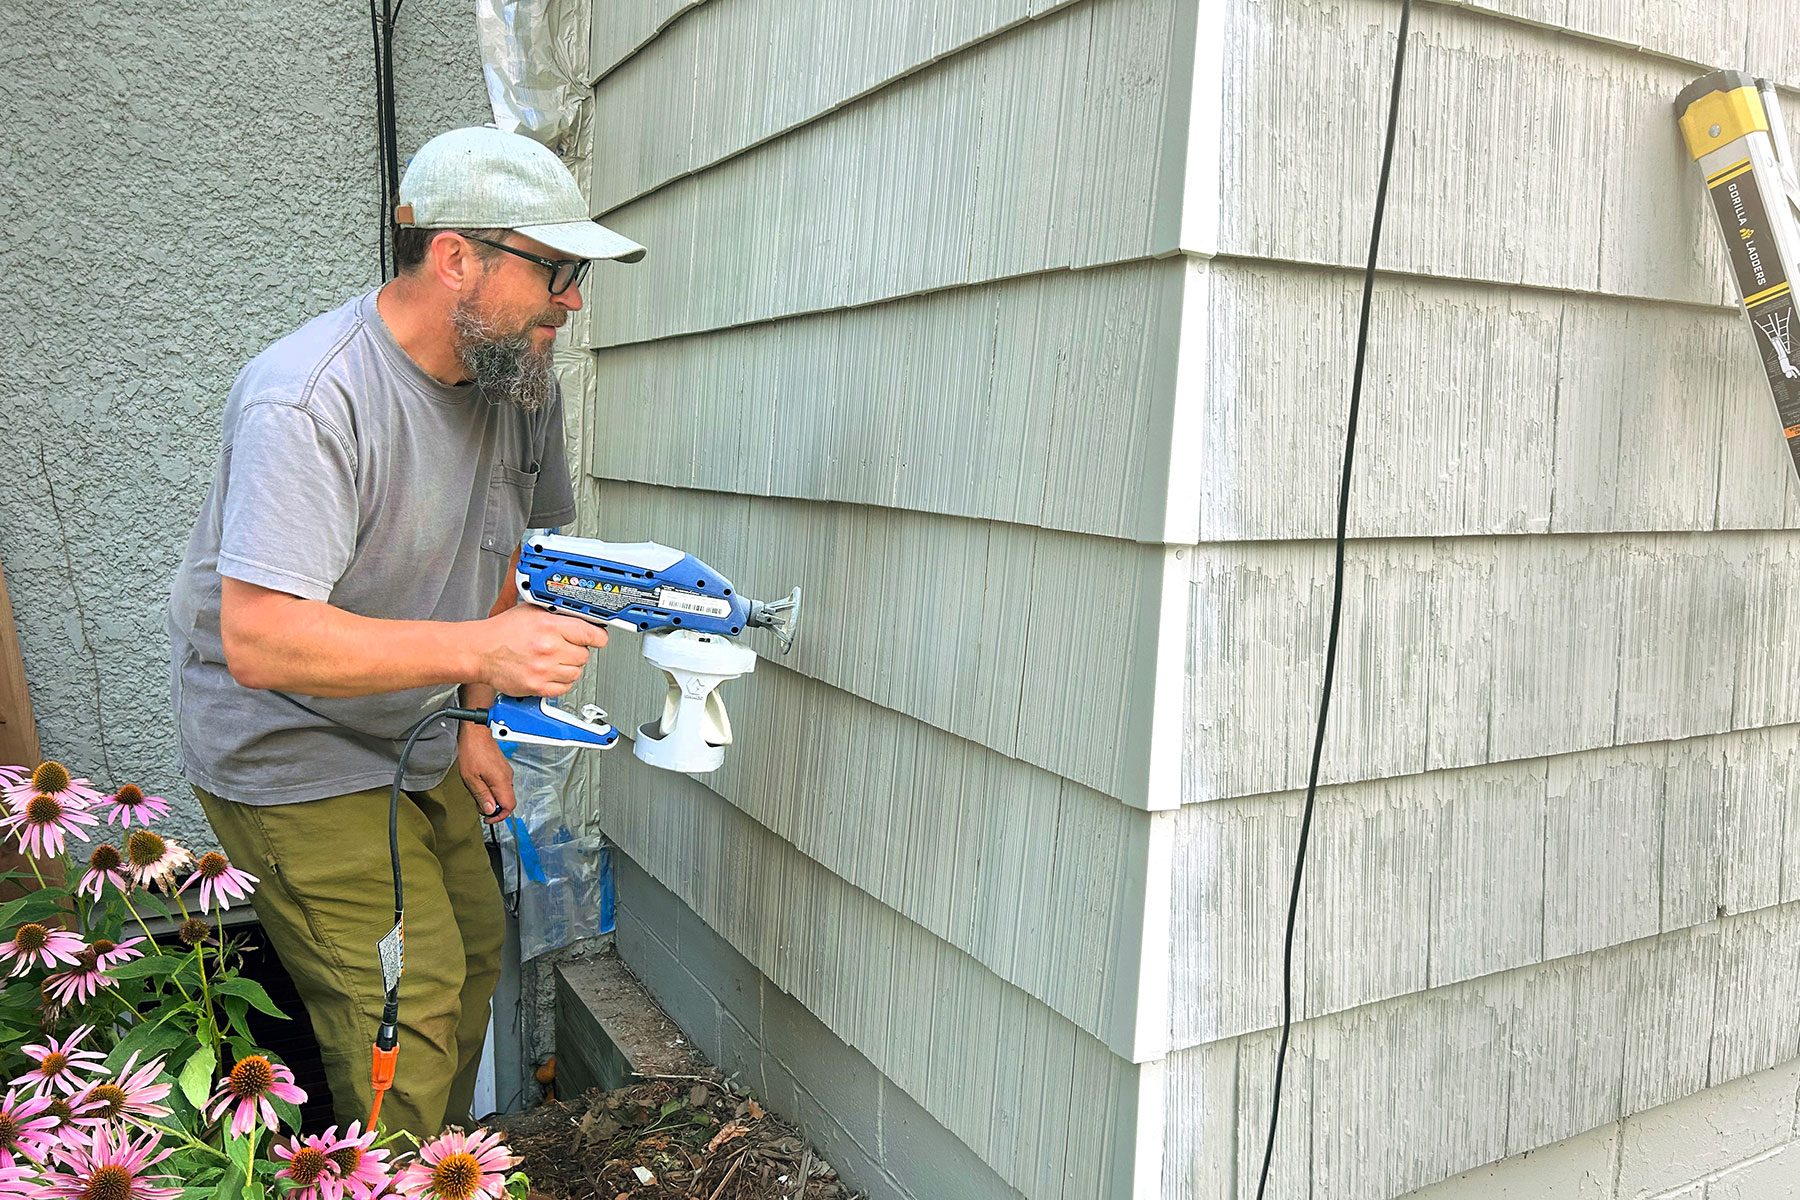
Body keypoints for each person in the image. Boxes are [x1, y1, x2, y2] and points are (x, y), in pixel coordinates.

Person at [165, 126, 645, 1137]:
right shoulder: (310, 398)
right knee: (408, 1004)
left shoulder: (520, 384)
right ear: (457, 256)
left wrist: (476, 720)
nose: (574, 299)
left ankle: (423, 1164)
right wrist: (480, 657)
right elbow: (260, 640)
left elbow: (501, 558)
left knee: (473, 950)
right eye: (554, 268)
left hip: (414, 728)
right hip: (287, 745)